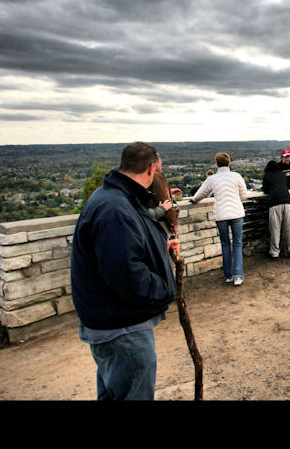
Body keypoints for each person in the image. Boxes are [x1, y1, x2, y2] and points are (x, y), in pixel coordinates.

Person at [70, 141, 180, 400]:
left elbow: (123, 253)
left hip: (114, 323)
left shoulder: (118, 198)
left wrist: (159, 252)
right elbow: (126, 275)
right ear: (151, 169)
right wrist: (165, 288)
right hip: (122, 328)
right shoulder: (115, 209)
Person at [191, 152, 248, 286]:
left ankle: (228, 275)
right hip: (236, 213)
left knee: (225, 244)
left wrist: (193, 200)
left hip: (221, 215)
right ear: (229, 163)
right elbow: (244, 196)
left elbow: (200, 194)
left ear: (217, 164)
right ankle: (238, 276)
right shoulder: (237, 176)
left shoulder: (212, 179)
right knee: (238, 244)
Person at [262, 160, 290, 259]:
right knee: (289, 228)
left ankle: (274, 252)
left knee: (275, 229)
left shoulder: (267, 175)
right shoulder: (282, 174)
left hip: (275, 203)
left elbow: (265, 189)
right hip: (287, 201)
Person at [147, 156, 180, 236]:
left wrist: (169, 191)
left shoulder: (142, 177)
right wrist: (173, 223)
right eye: (160, 164)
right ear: (154, 164)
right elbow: (165, 202)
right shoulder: (156, 177)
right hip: (160, 223)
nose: (161, 166)